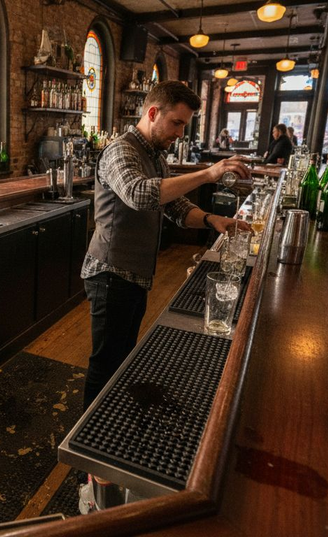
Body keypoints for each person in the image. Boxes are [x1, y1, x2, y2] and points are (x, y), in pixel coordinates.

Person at [81, 80, 251, 413]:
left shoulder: (154, 155)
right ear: (153, 112)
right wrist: (207, 174)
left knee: (123, 356)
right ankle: (87, 451)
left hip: (134, 273)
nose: (179, 133)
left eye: (184, 125)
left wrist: (210, 219)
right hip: (109, 273)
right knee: (104, 363)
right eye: (176, 123)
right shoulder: (121, 149)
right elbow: (139, 194)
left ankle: (111, 420)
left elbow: (173, 206)